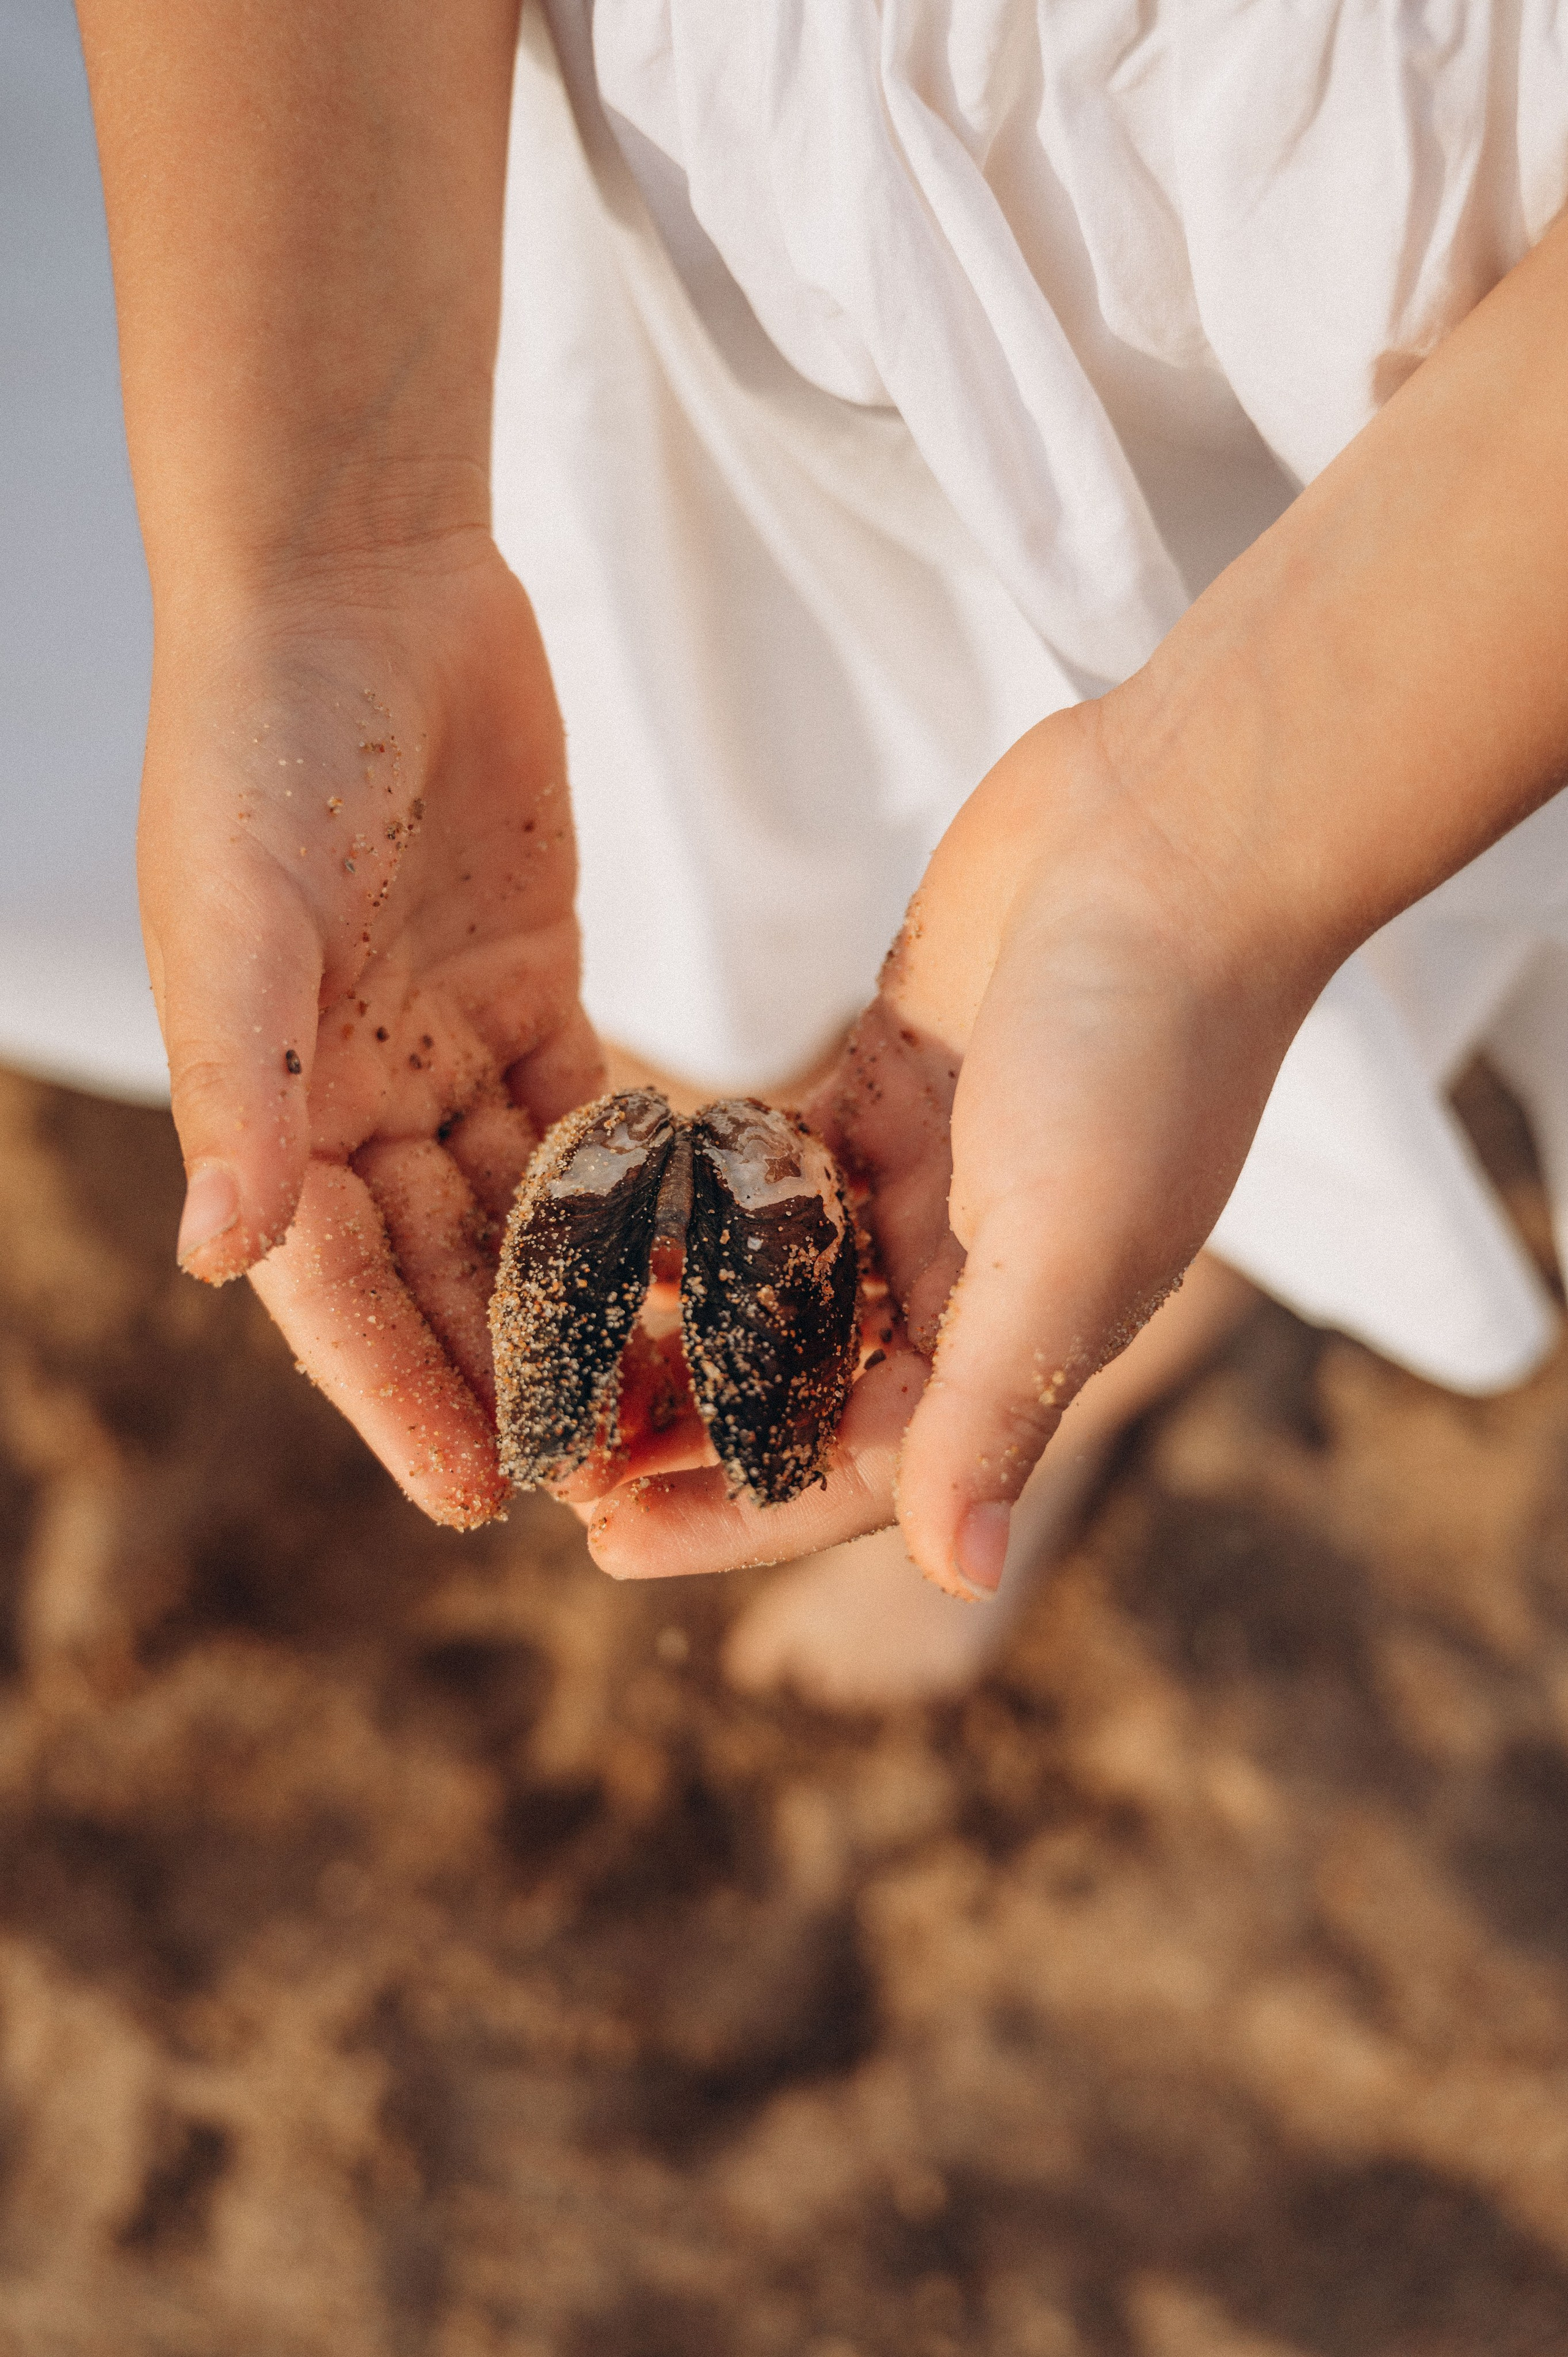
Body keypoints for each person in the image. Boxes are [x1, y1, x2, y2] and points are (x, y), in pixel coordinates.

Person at [74, 2, 1568, 1706]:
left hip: (1418, 344)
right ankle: (940, 1242)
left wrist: (1221, 853)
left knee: (1286, 972)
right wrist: (317, 549)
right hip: (722, 184)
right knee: (714, 795)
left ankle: (1203, 1266)